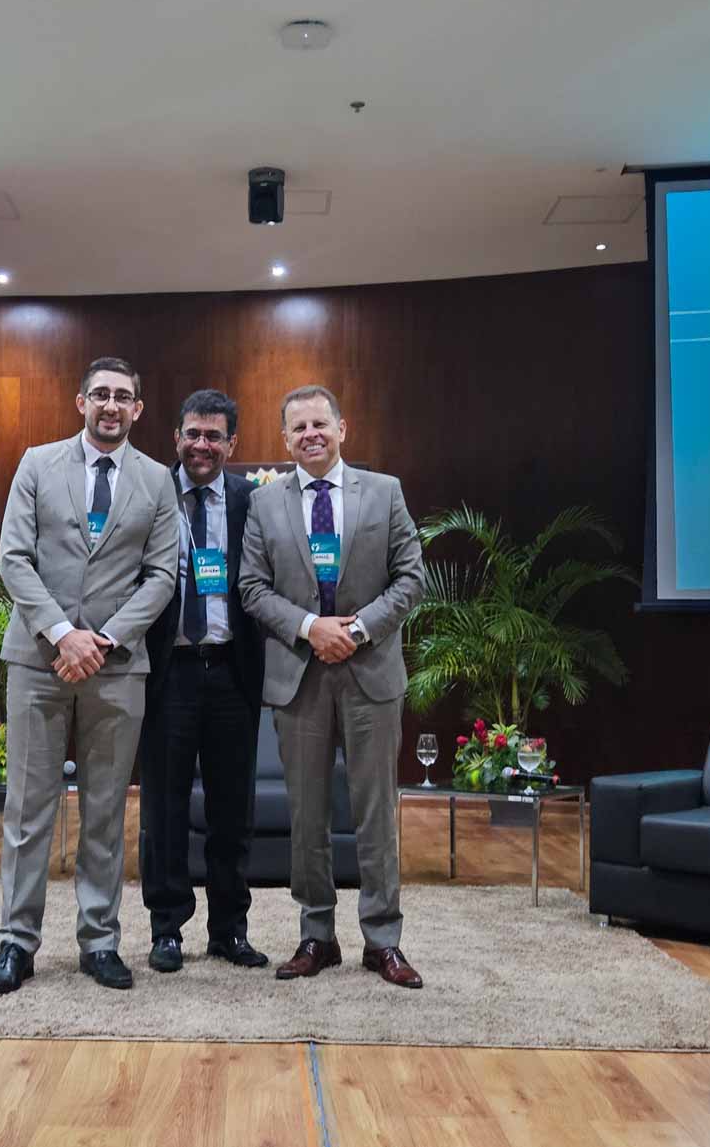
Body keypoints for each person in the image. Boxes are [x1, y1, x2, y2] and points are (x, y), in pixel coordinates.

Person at [0, 357, 180, 995]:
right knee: (27, 809)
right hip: (39, 661)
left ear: (138, 409)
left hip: (116, 667)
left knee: (105, 810)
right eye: (100, 394)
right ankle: (16, 942)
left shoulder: (157, 480)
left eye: (123, 396)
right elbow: (14, 558)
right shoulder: (37, 464)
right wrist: (62, 634)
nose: (111, 405)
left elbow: (162, 576)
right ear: (81, 402)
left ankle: (99, 941)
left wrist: (105, 638)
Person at [239, 384, 426, 988]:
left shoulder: (385, 491)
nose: (310, 435)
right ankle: (316, 935)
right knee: (308, 817)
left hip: (371, 674)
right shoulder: (264, 503)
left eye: (320, 423)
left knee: (376, 813)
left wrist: (358, 629)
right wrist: (310, 627)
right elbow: (251, 588)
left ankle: (383, 940)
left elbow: (410, 577)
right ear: (284, 439)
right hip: (301, 677)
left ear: (343, 429)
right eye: (298, 428)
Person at [136, 390, 269, 974]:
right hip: (169, 671)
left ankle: (229, 930)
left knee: (232, 810)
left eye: (214, 436)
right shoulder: (150, 493)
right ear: (176, 437)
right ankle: (166, 928)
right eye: (193, 433)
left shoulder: (251, 501)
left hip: (232, 671)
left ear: (231, 444)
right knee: (163, 809)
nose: (202, 445)